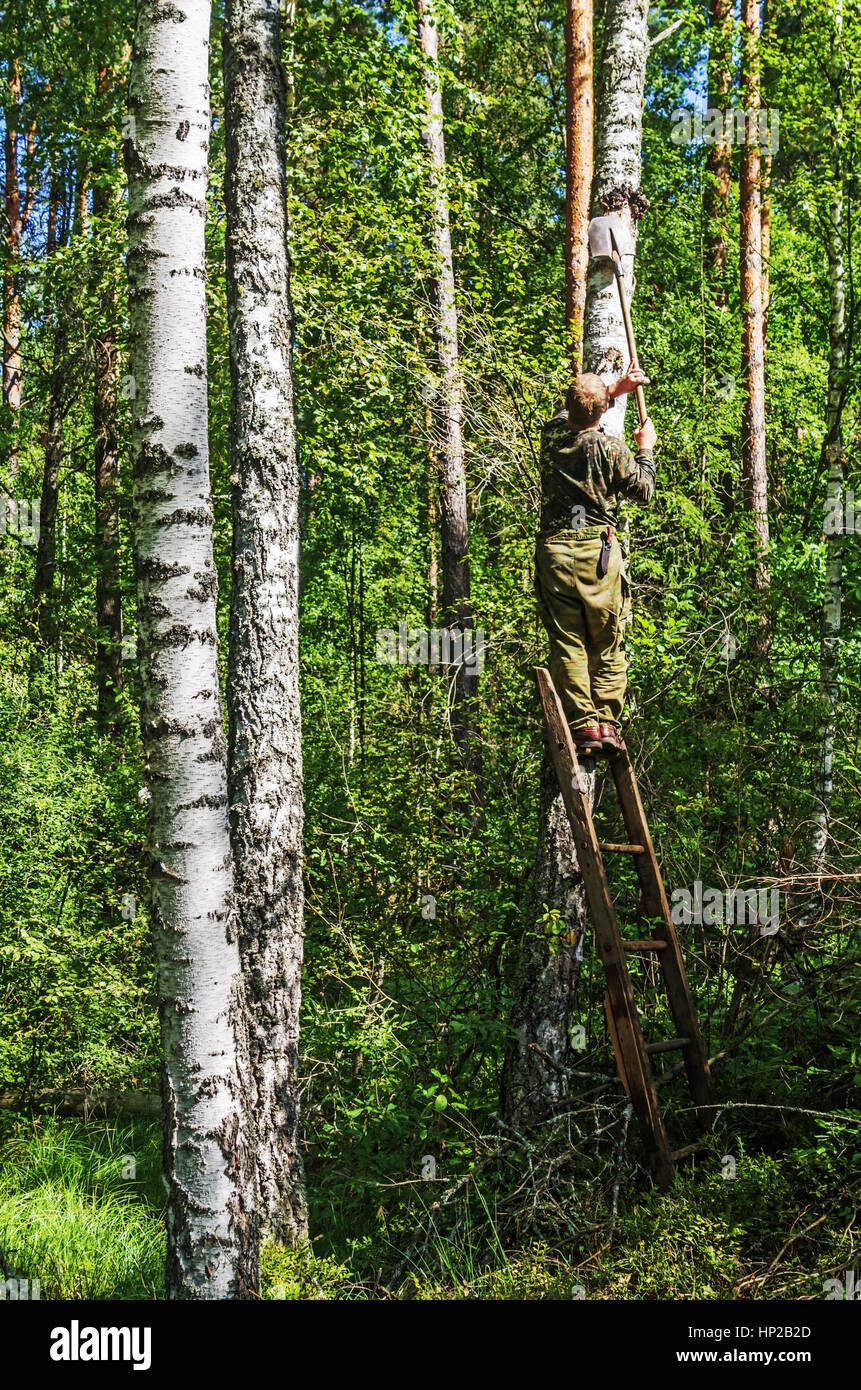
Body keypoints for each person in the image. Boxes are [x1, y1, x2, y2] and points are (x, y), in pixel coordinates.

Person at [534, 365, 656, 756]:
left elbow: (573, 413)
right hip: (597, 554)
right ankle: (605, 722)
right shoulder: (611, 450)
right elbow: (644, 489)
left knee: (568, 642)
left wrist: (613, 389)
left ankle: (584, 725)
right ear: (603, 411)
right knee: (606, 641)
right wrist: (646, 448)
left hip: (555, 552)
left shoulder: (550, 436)